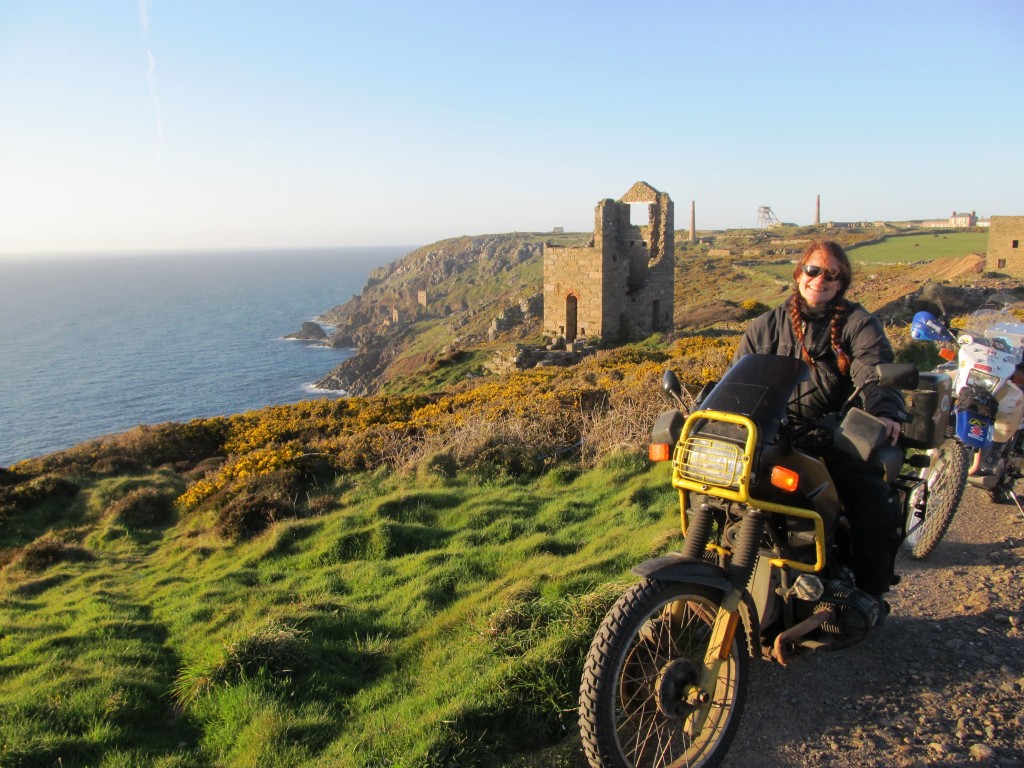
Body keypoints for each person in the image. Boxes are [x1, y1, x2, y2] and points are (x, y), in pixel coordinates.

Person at [731, 240, 907, 598]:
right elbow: (738, 380)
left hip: (835, 429)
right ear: (799, 273)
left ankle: (867, 595)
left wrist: (883, 410)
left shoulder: (858, 324)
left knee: (869, 500)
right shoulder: (765, 326)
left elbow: (873, 370)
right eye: (813, 270)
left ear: (841, 282)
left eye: (831, 274)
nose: (820, 279)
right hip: (771, 430)